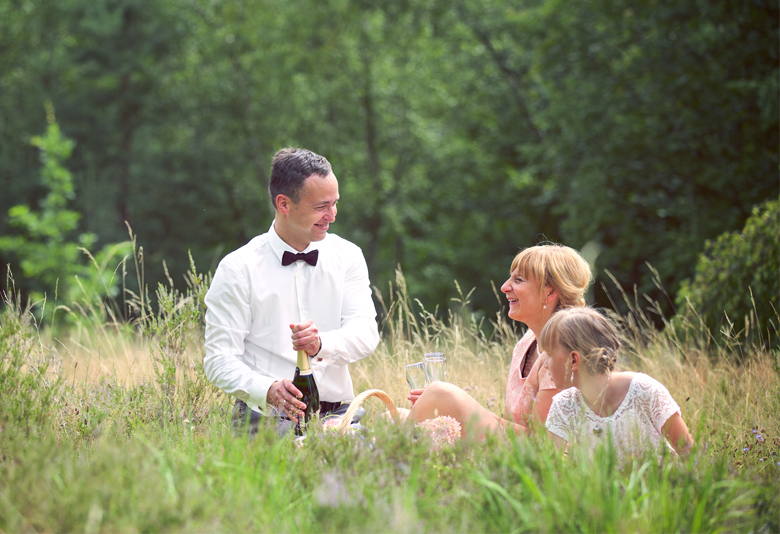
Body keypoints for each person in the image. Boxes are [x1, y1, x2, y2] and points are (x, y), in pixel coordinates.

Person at [204, 148, 380, 436]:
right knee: (300, 455)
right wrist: (268, 389)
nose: (332, 216)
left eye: (335, 204)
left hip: (338, 414)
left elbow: (366, 334)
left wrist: (321, 344)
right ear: (284, 204)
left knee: (377, 455)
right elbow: (219, 360)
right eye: (321, 206)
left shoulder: (348, 256)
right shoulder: (237, 268)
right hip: (265, 416)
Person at [404, 244, 592, 438]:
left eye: (518, 280)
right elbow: (509, 424)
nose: (504, 287)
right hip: (509, 443)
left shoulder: (564, 351)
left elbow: (542, 441)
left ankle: (395, 452)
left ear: (550, 293)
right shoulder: (526, 342)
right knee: (396, 416)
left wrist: (451, 401)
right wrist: (447, 405)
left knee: (441, 392)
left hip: (532, 452)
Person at [541, 307, 694, 459]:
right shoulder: (563, 405)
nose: (545, 365)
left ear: (574, 360)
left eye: (549, 354)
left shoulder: (644, 390)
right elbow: (551, 466)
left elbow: (689, 454)